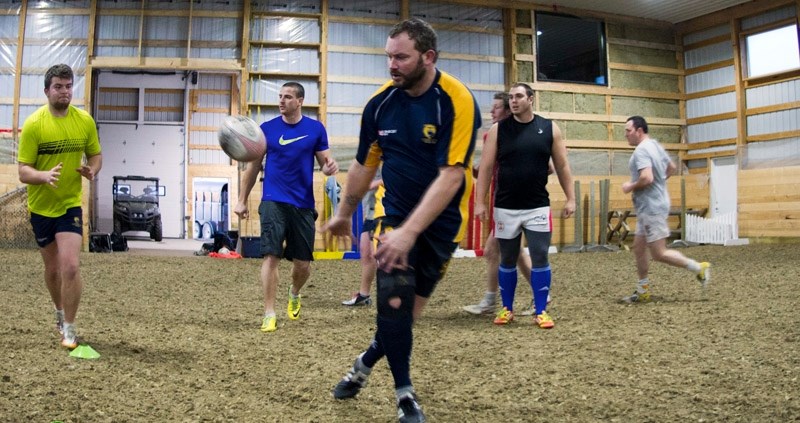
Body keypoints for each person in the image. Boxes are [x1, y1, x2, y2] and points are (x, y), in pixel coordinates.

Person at [321, 18, 480, 423]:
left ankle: (364, 362)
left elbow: (452, 174)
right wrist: (343, 214)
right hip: (392, 215)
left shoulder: (456, 100)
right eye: (388, 56)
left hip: (443, 225)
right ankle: (405, 395)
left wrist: (414, 233)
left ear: (428, 57)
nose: (392, 65)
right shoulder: (380, 105)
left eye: (401, 57)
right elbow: (362, 165)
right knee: (392, 304)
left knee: (405, 319)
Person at [234, 81, 338, 333]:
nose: (281, 101)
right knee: (271, 256)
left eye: (288, 97)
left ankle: (294, 292)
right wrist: (241, 199)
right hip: (272, 200)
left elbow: (324, 163)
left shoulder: (315, 129)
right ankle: (269, 312)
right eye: (280, 96)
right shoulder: (266, 130)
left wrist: (328, 169)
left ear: (300, 101)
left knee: (302, 264)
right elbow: (254, 167)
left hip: (302, 204)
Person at [474, 82, 575, 329]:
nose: (513, 101)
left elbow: (561, 166)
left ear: (531, 99)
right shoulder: (499, 130)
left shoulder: (549, 128)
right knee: (507, 258)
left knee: (540, 256)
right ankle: (507, 309)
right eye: (510, 97)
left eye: (518, 96)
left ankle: (541, 311)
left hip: (537, 206)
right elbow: (485, 168)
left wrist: (571, 198)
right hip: (505, 206)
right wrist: (479, 202)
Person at [17, 63, 103, 349]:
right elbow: (23, 171)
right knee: (52, 270)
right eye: (58, 86)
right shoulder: (34, 125)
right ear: (47, 91)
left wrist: (92, 170)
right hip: (41, 208)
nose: (64, 92)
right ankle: (58, 310)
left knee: (70, 267)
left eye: (68, 86)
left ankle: (69, 326)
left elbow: (96, 155)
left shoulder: (84, 121)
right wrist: (43, 176)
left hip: (69, 205)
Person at [620, 116, 710, 303]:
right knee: (638, 247)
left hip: (651, 207)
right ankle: (642, 289)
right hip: (650, 205)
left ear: (639, 131)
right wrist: (659, 185)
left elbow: (646, 178)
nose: (626, 135)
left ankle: (698, 267)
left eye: (628, 131)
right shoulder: (655, 145)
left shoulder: (641, 151)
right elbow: (671, 167)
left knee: (659, 253)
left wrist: (631, 186)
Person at [463, 92, 537, 316]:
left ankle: (491, 301)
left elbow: (486, 169)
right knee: (514, 253)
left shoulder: (495, 135)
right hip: (509, 202)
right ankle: (539, 295)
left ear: (506, 111)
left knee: (492, 250)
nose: (491, 112)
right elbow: (487, 171)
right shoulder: (521, 134)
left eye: (496, 108)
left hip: (506, 203)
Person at [342, 171, 383, 306]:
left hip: (384, 210)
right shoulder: (369, 160)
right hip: (371, 213)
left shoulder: (391, 156)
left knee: (382, 256)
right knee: (366, 254)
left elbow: (395, 178)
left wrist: (368, 185)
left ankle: (394, 295)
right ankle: (364, 295)